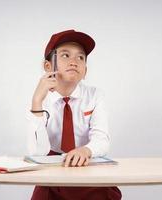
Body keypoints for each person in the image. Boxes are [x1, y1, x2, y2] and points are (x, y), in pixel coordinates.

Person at [26, 29, 122, 200]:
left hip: (88, 167)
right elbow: (37, 153)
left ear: (85, 70)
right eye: (65, 55)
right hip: (53, 173)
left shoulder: (95, 95)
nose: (74, 61)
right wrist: (36, 103)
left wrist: (86, 150)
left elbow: (102, 139)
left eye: (80, 57)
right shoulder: (41, 99)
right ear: (48, 66)